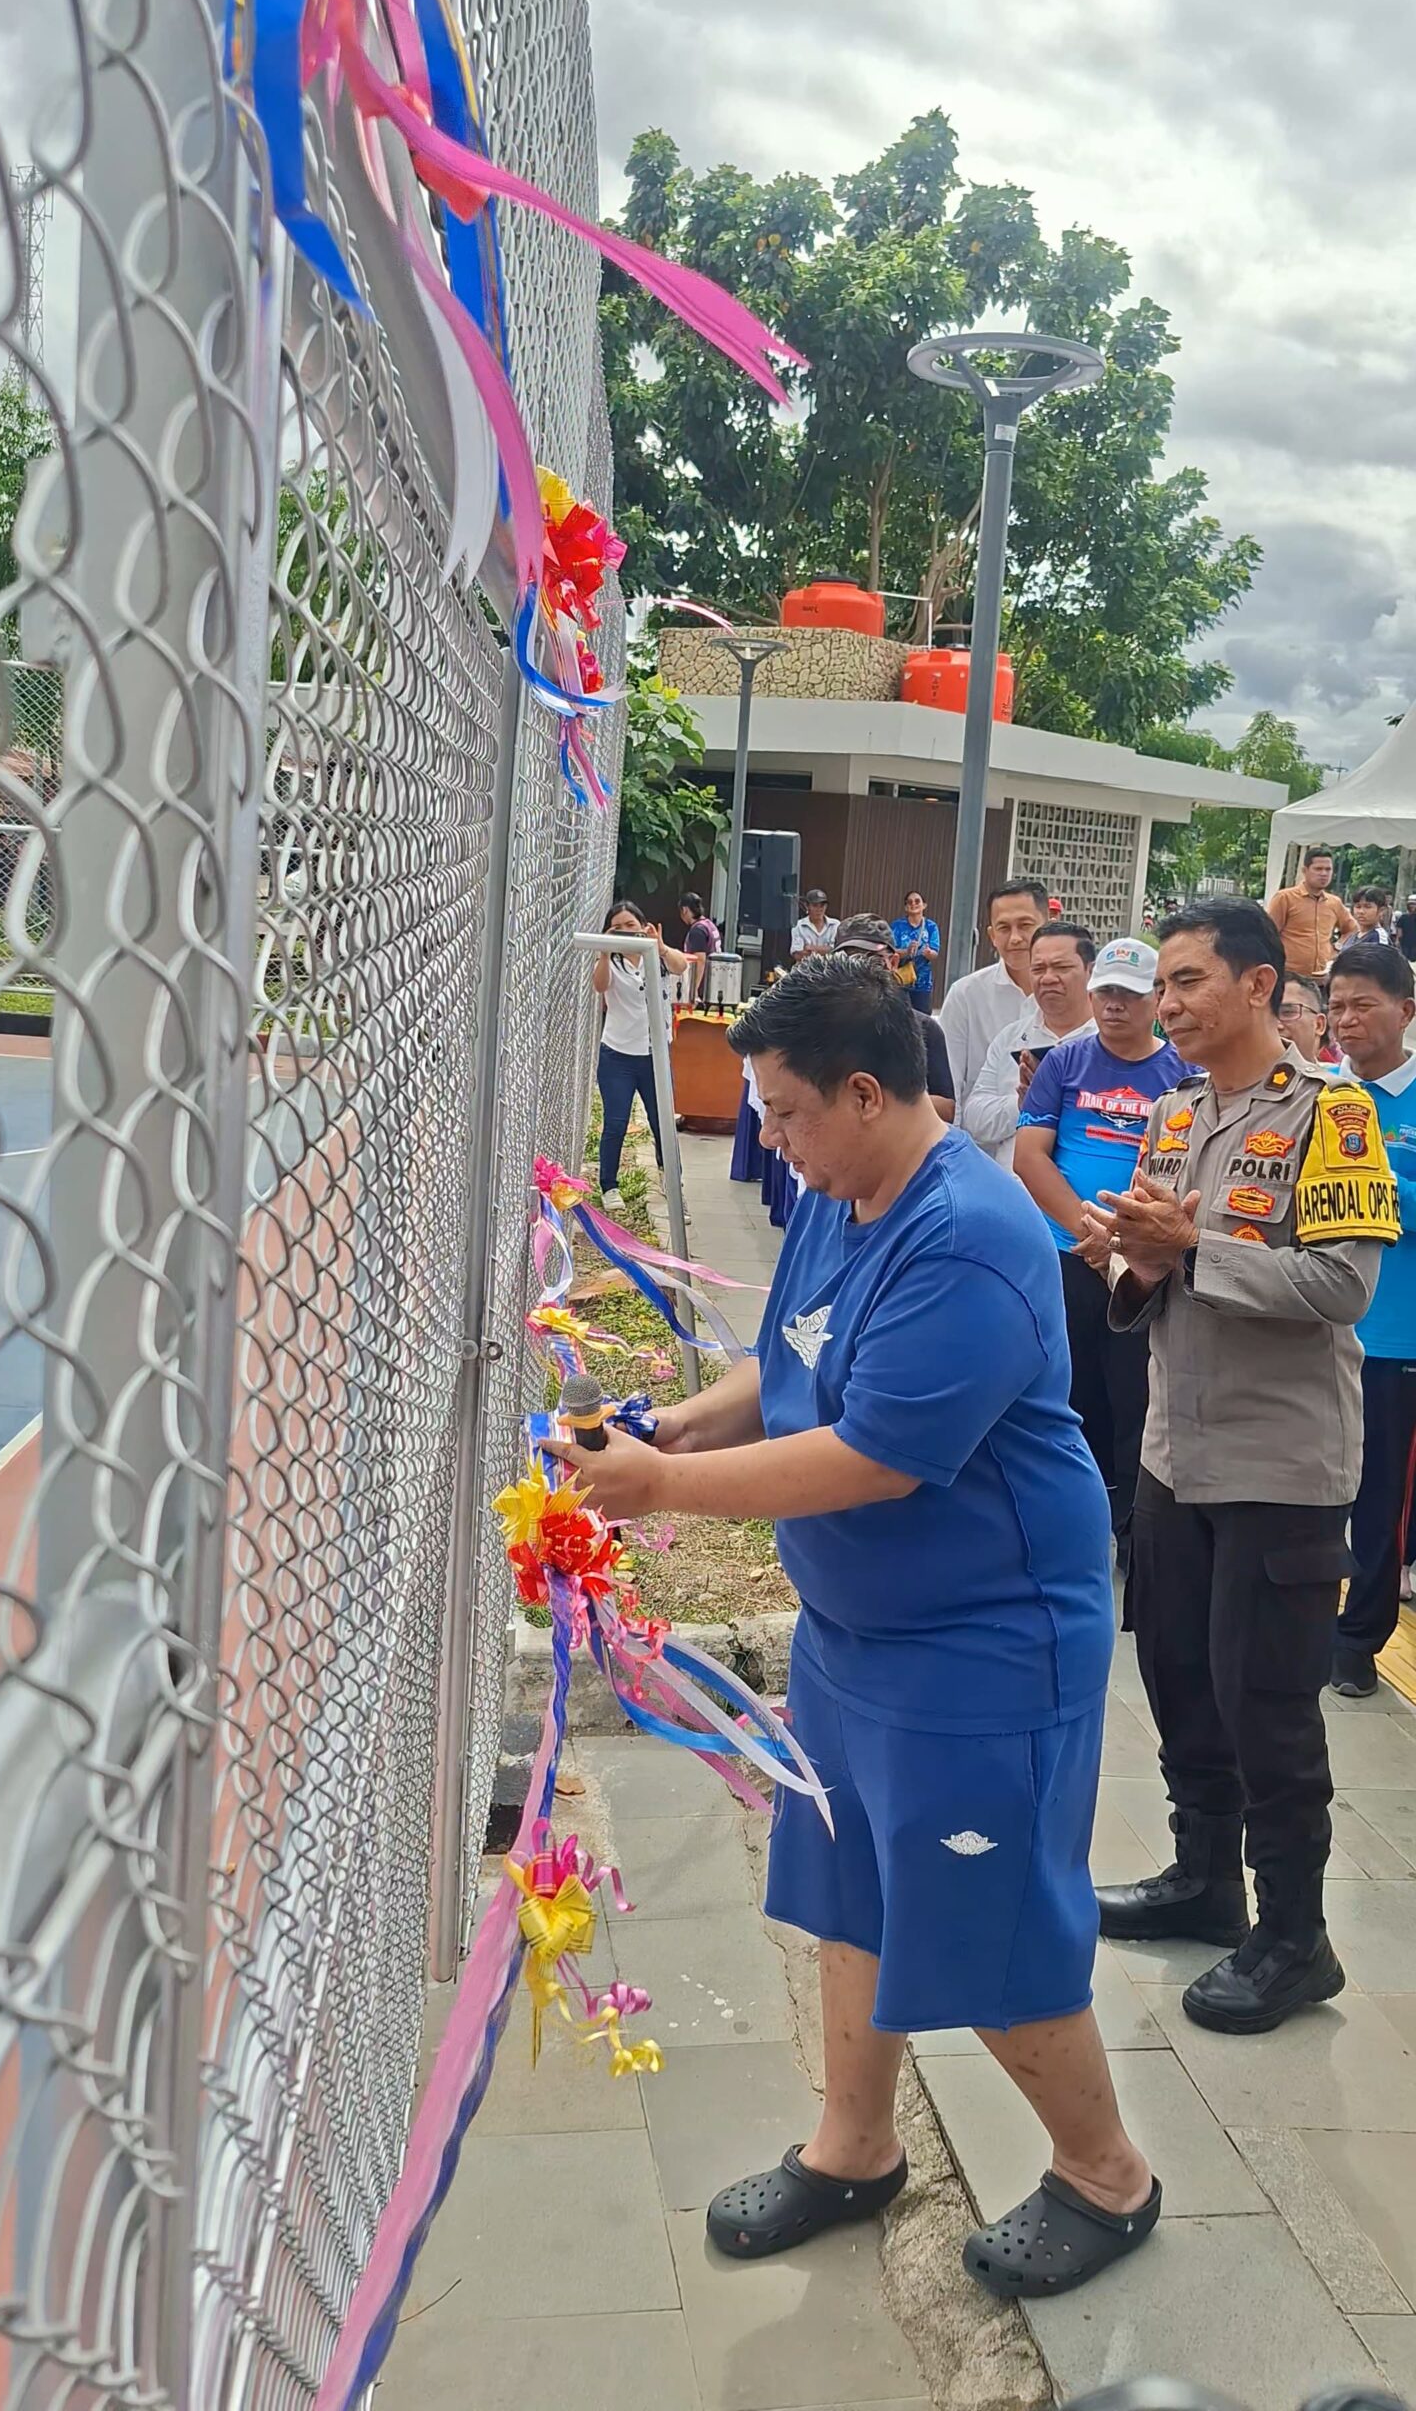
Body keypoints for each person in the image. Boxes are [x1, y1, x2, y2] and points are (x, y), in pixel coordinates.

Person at [560, 956, 1159, 2294]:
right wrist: (663, 1428)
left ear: (871, 1092)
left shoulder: (967, 1233)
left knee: (990, 1920)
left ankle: (1107, 2174)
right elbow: (786, 1370)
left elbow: (875, 1453)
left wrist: (658, 1489)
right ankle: (855, 2142)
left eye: (783, 1112)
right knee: (853, 1887)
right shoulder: (844, 1190)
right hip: (857, 1633)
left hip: (982, 1643)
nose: (766, 1136)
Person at [1086, 899, 1397, 2034]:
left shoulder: (1336, 1116)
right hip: (1178, 1453)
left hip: (1282, 1465)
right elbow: (1159, 1276)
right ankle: (1204, 1877)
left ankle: (1294, 1936)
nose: (1165, 1005)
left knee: (1269, 1707)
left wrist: (1189, 1248)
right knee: (1179, 1676)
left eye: (1186, 982)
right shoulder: (1174, 1117)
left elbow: (1339, 1289)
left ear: (1260, 986)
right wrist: (1128, 1256)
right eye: (1160, 986)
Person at [1014, 939, 1187, 1573]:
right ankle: (1074, 1519)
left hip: (1141, 1268)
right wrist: (1086, 1228)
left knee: (1136, 1398)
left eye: (1130, 995)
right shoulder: (1066, 1062)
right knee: (1069, 1389)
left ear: (1156, 1002)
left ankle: (1132, 1533)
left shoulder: (1181, 1075)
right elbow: (1030, 1155)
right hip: (1068, 1256)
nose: (1114, 1006)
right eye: (1106, 993)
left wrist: (1123, 1241)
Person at [1325, 941, 1416, 1693]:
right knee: (1317, 1486)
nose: (1347, 1021)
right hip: (1318, 1326)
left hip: (1396, 1337)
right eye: (1337, 1006)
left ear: (1405, 1012)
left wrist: (1371, 1181)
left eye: (1363, 1005)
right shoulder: (1321, 1093)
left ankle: (1359, 1643)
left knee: (1382, 1495)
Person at [964, 920, 1096, 1169]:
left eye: (1061, 967)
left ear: (1090, 971)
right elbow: (974, 1119)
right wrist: (1021, 1105)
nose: (1048, 978)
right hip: (1010, 1194)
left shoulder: (1108, 1042)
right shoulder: (1011, 1038)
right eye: (1038, 969)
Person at [592, 901, 690, 1206]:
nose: (624, 933)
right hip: (618, 1055)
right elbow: (600, 986)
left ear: (644, 926)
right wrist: (605, 952)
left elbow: (681, 965)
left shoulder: (656, 957)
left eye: (630, 926)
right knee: (616, 1122)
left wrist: (659, 947)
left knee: (662, 1123)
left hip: (655, 1055)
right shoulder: (612, 962)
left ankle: (673, 1185)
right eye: (617, 928)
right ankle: (609, 1186)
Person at [938, 876, 1051, 1120]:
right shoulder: (965, 996)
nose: (1015, 938)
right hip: (979, 1148)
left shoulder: (1076, 995)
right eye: (1004, 928)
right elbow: (949, 1086)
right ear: (991, 935)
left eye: (1025, 925)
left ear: (1048, 925)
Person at [834, 913, 955, 1120]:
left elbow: (947, 1109)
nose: (859, 970)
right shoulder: (821, 1026)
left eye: (871, 959)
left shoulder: (923, 1028)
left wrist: (883, 1099)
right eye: (849, 959)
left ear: (893, 962)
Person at [1266, 847, 1357, 978]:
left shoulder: (1334, 902)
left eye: (1328, 869)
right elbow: (1269, 934)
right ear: (1305, 870)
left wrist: (1337, 947)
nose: (1324, 874)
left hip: (1321, 977)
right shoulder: (1285, 898)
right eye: (1318, 869)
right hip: (1289, 976)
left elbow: (1352, 929)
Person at [890, 888, 941, 1015]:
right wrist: (906, 951)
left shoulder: (931, 926)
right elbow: (890, 951)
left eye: (917, 901)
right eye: (909, 902)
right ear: (906, 907)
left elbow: (935, 953)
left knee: (922, 1020)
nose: (913, 904)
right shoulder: (897, 926)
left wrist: (929, 953)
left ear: (924, 905)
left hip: (922, 982)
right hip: (900, 981)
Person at [1277, 972, 1331, 1068]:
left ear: (1319, 1024)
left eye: (1288, 1012)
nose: (1277, 1025)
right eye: (1266, 1015)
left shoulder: (1337, 1082)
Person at [678, 890, 721, 1000]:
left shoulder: (697, 931)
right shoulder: (709, 925)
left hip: (703, 988)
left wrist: (693, 990)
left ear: (684, 910)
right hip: (714, 983)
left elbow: (699, 960)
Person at [790, 890, 839, 961]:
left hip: (830, 969)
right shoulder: (798, 926)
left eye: (822, 906)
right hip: (805, 970)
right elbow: (797, 955)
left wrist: (811, 948)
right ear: (807, 906)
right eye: (815, 906)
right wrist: (826, 950)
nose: (819, 909)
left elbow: (837, 951)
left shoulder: (835, 925)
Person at [1397, 895, 1416, 963]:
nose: (1412, 906)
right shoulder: (1403, 917)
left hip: (1414, 943)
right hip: (1405, 943)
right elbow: (1399, 929)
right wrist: (1398, 940)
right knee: (1404, 960)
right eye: (1411, 904)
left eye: (1414, 904)